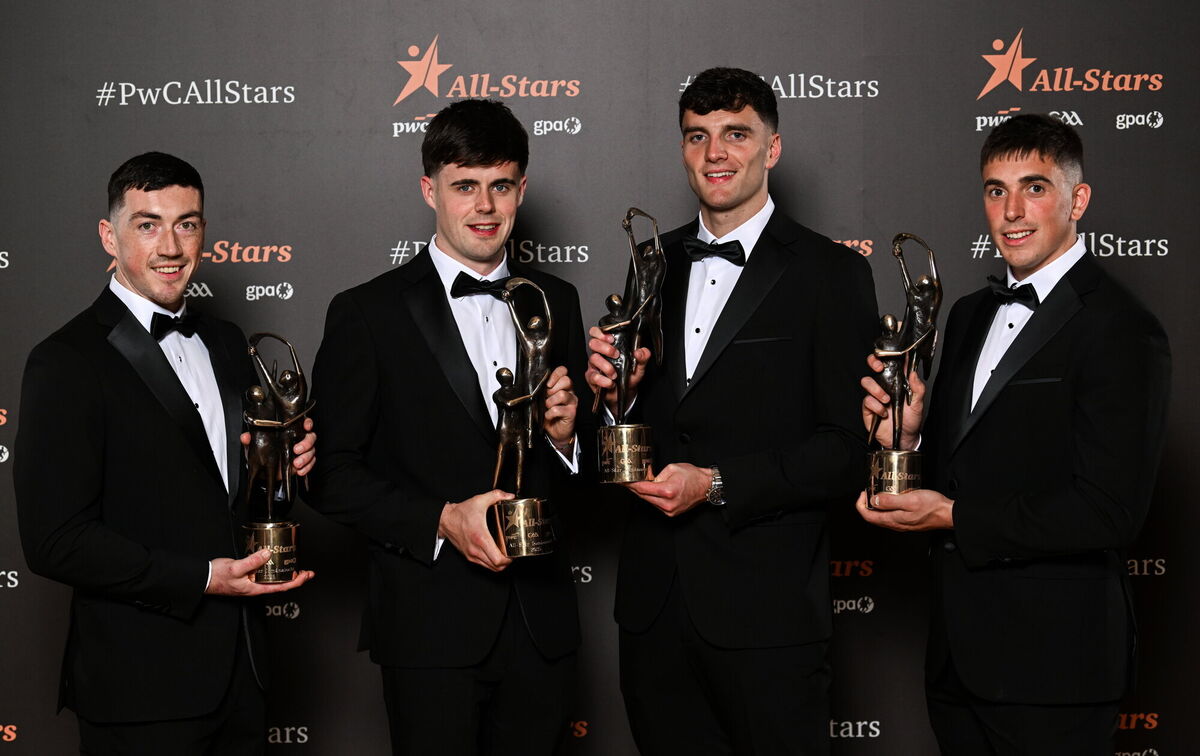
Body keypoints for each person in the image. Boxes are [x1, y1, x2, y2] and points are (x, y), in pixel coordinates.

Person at [586, 67, 878, 754]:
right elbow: (641, 421)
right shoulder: (650, 264)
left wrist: (714, 483)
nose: (715, 153)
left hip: (768, 618)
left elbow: (845, 449)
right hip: (655, 613)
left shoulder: (831, 273)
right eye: (698, 136)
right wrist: (614, 399)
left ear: (771, 148)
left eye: (736, 134)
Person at [859, 113, 1171, 754]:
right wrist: (909, 439)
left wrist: (954, 516)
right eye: (996, 191)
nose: (1011, 212)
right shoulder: (972, 313)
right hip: (957, 661)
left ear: (1078, 199)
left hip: (1056, 669)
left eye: (1035, 187)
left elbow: (1109, 512)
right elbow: (963, 463)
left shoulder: (1120, 328)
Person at [307, 99, 589, 755]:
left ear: (522, 188)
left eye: (500, 185)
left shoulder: (559, 301)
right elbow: (328, 475)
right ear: (429, 188)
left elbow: (583, 468)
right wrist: (439, 519)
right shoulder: (367, 314)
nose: (484, 206)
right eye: (465, 185)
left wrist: (567, 438)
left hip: (541, 625)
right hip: (428, 628)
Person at [14, 151, 316, 755]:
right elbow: (54, 539)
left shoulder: (226, 342)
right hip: (139, 689)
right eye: (148, 224)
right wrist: (202, 578)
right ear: (110, 235)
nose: (171, 246)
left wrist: (288, 462)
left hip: (243, 676)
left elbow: (224, 486)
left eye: (187, 223)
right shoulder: (66, 361)